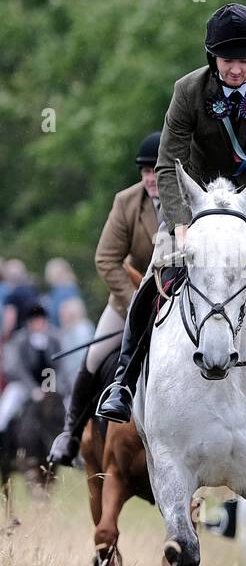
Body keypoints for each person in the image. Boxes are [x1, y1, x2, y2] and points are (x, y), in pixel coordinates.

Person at [95, 2, 246, 427]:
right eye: (228, 61)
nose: (236, 70)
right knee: (160, 272)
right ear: (214, 58)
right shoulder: (188, 91)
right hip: (201, 202)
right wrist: (180, 225)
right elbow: (167, 163)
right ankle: (123, 380)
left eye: (244, 61)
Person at [47, 131, 162, 465]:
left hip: (182, 300)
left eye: (157, 170)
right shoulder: (127, 202)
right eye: (145, 171)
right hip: (130, 299)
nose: (150, 178)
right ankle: (70, 433)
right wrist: (136, 303)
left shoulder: (187, 201)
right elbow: (106, 259)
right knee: (94, 356)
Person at [0, 304, 59, 436]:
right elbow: (19, 368)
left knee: (70, 405)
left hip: (51, 385)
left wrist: (52, 387)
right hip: (26, 386)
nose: (38, 324)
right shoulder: (20, 340)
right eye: (35, 321)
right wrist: (33, 389)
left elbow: (60, 366)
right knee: (8, 403)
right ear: (29, 323)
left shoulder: (55, 339)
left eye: (40, 320)